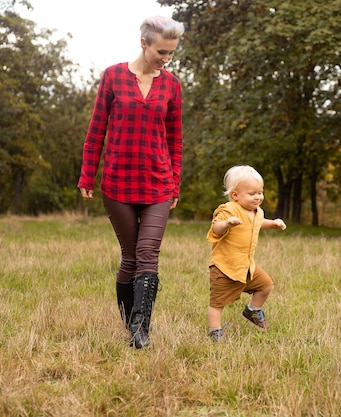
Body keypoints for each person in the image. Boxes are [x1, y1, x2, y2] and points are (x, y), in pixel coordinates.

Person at [77, 16, 185, 349]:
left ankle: (141, 330)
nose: (166, 59)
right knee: (130, 258)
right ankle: (129, 324)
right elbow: (96, 130)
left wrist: (175, 184)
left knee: (148, 254)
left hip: (158, 185)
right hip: (118, 183)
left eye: (171, 54)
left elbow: (175, 139)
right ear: (144, 43)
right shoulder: (112, 77)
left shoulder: (172, 85)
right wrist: (87, 173)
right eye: (162, 52)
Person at [206, 165, 287, 341]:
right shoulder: (229, 210)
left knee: (266, 285)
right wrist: (227, 223)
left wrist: (272, 223)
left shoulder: (256, 212)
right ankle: (215, 331)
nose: (258, 197)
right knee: (217, 303)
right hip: (225, 266)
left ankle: (252, 311)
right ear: (235, 195)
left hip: (246, 266)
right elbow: (216, 228)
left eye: (260, 192)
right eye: (252, 193)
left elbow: (257, 223)